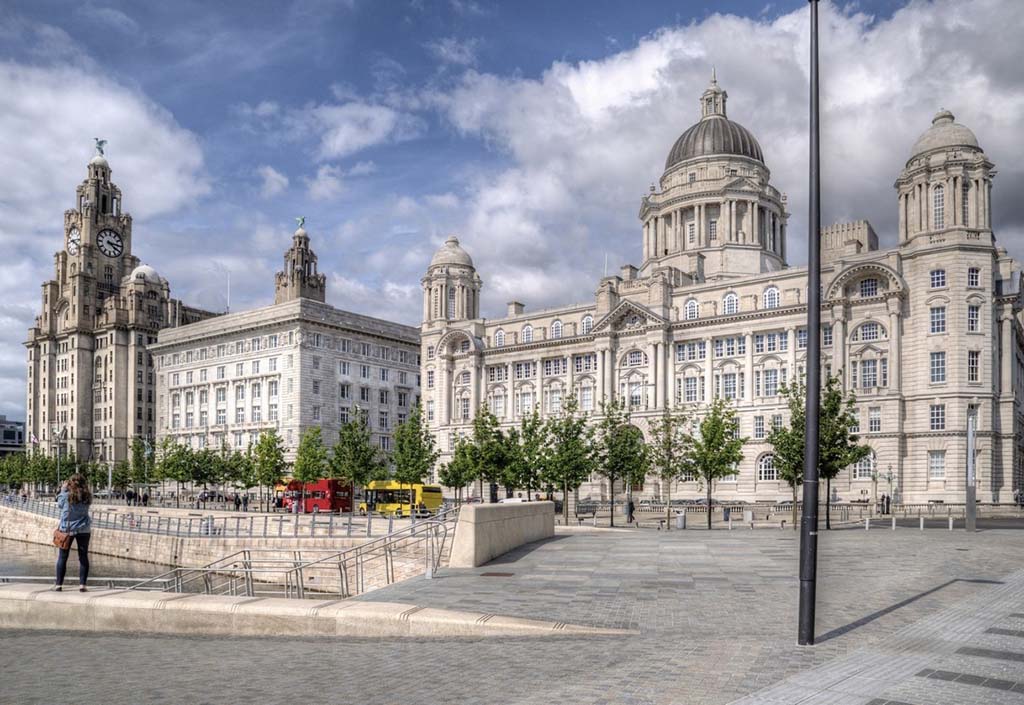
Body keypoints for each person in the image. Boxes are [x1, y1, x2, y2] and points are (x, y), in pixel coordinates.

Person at [54, 474, 92, 592]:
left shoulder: (66, 495)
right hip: (84, 529)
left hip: (67, 529)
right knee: (83, 557)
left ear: (70, 483)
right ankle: (82, 585)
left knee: (63, 557)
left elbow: (60, 504)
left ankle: (59, 585)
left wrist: (63, 489)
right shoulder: (87, 496)